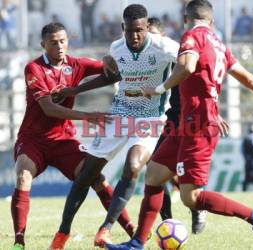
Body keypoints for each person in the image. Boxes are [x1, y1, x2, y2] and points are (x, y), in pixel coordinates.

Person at [105, 1, 253, 250]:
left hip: (199, 124)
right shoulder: (219, 45)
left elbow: (187, 66)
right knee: (153, 175)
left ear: (186, 19)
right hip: (188, 122)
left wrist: (157, 89)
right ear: (212, 21)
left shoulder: (192, 36)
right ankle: (137, 243)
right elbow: (248, 78)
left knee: (191, 198)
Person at [50, 4, 180, 248]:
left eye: (139, 30)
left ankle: (105, 229)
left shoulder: (164, 47)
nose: (134, 36)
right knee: (86, 175)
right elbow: (113, 76)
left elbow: (189, 63)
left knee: (132, 166)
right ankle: (62, 233)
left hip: (151, 118)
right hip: (119, 114)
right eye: (129, 31)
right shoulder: (117, 47)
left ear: (146, 27)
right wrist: (75, 89)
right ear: (123, 27)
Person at [10, 22, 133, 250]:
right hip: (33, 139)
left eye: (63, 41)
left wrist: (108, 61)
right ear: (43, 45)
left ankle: (132, 232)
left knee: (96, 178)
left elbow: (114, 74)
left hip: (63, 139)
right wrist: (88, 116)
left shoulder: (77, 64)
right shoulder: (34, 68)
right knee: (23, 176)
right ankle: (19, 241)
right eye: (53, 42)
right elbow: (49, 108)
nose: (59, 46)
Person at [148, 16, 207, 234]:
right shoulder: (145, 60)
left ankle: (197, 209)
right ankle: (167, 221)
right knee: (155, 170)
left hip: (192, 118)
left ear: (162, 36)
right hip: (172, 119)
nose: (149, 41)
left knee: (184, 174)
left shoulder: (179, 53)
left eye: (153, 35)